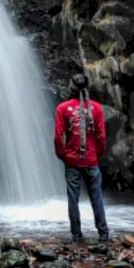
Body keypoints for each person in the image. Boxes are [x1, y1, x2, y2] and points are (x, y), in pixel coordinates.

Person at [54, 73, 109, 243]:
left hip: (72, 160)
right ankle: (103, 233)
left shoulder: (62, 109)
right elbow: (101, 136)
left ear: (71, 87)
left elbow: (58, 137)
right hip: (91, 160)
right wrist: (97, 153)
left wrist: (62, 154)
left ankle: (76, 235)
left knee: (73, 198)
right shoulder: (97, 108)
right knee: (96, 197)